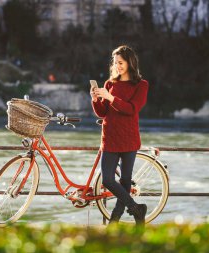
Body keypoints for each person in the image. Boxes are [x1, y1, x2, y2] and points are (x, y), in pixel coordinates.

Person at [90, 45, 149, 225]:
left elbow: (132, 109)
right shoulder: (110, 84)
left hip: (129, 139)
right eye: (115, 63)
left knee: (124, 181)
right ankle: (137, 208)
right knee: (107, 179)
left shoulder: (141, 85)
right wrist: (95, 99)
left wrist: (110, 97)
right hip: (110, 138)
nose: (118, 66)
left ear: (130, 63)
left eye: (121, 62)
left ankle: (114, 220)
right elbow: (102, 112)